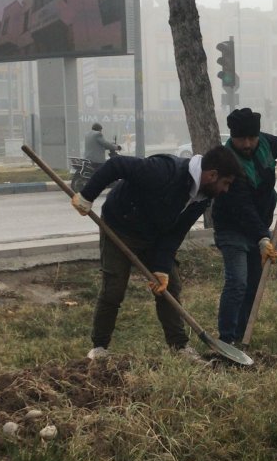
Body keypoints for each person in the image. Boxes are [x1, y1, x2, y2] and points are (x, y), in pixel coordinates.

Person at [72, 146, 243, 361]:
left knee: (169, 286)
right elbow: (117, 165)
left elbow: (175, 233)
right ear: (212, 175)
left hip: (153, 236)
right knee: (113, 289)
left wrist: (162, 267)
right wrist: (87, 195)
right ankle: (99, 347)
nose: (226, 190)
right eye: (225, 183)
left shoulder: (202, 198)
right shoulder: (165, 170)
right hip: (119, 227)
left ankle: (179, 347)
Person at [210, 108, 277, 344]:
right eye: (242, 139)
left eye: (252, 138)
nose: (248, 144)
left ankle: (242, 335)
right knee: (237, 282)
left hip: (259, 224)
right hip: (233, 227)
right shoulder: (227, 159)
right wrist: (263, 238)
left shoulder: (264, 143)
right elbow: (243, 206)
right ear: (233, 137)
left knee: (253, 283)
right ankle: (226, 339)